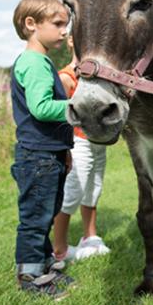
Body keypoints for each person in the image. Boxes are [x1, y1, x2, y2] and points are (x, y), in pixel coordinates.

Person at [9, 0, 75, 299]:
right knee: (35, 218)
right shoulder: (34, 63)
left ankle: (45, 266)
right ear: (31, 23)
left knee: (47, 213)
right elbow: (41, 108)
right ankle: (29, 276)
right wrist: (77, 108)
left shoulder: (42, 61)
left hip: (50, 154)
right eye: (59, 23)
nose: (65, 30)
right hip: (37, 156)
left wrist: (65, 151)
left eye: (66, 23)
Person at [52, 34, 110, 262]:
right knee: (73, 192)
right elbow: (59, 116)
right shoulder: (66, 77)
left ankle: (89, 236)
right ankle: (59, 249)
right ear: (70, 41)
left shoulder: (98, 76)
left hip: (98, 142)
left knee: (94, 188)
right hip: (79, 142)